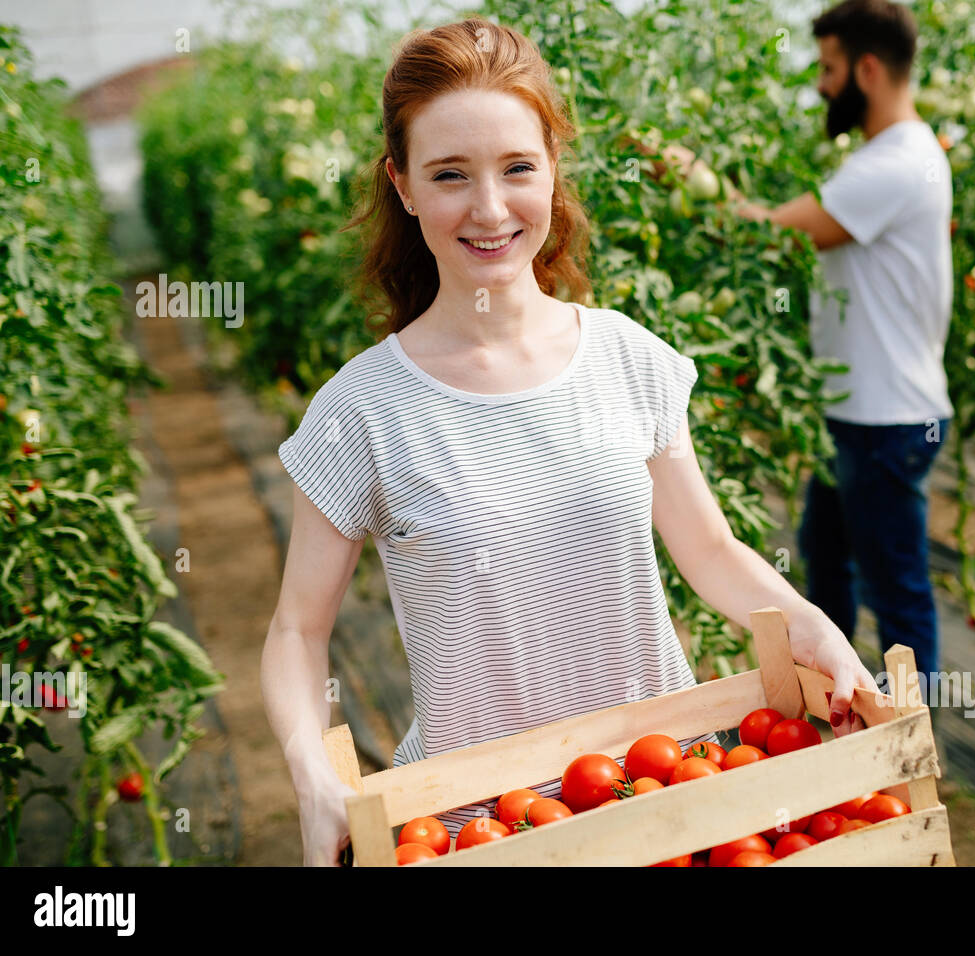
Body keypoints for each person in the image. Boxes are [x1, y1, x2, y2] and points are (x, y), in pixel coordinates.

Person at [260, 17, 881, 868]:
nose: (489, 208)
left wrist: (815, 630)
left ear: (553, 167)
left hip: (663, 798)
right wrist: (310, 775)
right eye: (449, 175)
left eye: (518, 167)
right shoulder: (360, 411)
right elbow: (297, 631)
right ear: (403, 186)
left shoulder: (628, 358)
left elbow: (708, 548)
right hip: (479, 826)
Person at [662, 0, 953, 706]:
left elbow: (771, 233)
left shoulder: (895, 162)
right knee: (827, 580)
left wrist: (688, 174)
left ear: (869, 67)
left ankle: (908, 754)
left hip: (883, 419)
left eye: (828, 68)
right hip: (861, 412)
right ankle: (841, 727)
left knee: (898, 599)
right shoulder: (895, 157)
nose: (821, 85)